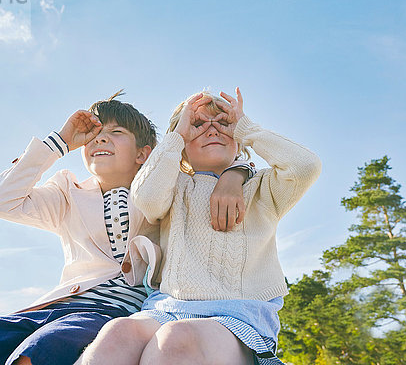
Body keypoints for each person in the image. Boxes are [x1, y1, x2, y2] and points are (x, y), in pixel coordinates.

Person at [0, 92, 251, 365]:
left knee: (39, 354)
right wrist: (59, 143)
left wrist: (238, 171)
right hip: (48, 306)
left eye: (116, 132)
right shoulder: (67, 191)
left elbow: (203, 174)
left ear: (144, 153)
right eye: (95, 134)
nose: (100, 139)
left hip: (110, 318)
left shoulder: (163, 189)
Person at [78, 88, 322, 365]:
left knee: (175, 340)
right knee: (117, 333)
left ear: (238, 139)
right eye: (198, 124)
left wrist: (247, 130)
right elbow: (145, 197)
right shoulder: (175, 185)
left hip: (237, 315)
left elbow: (306, 166)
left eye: (224, 124)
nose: (213, 130)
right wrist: (177, 137)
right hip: (165, 308)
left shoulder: (262, 188)